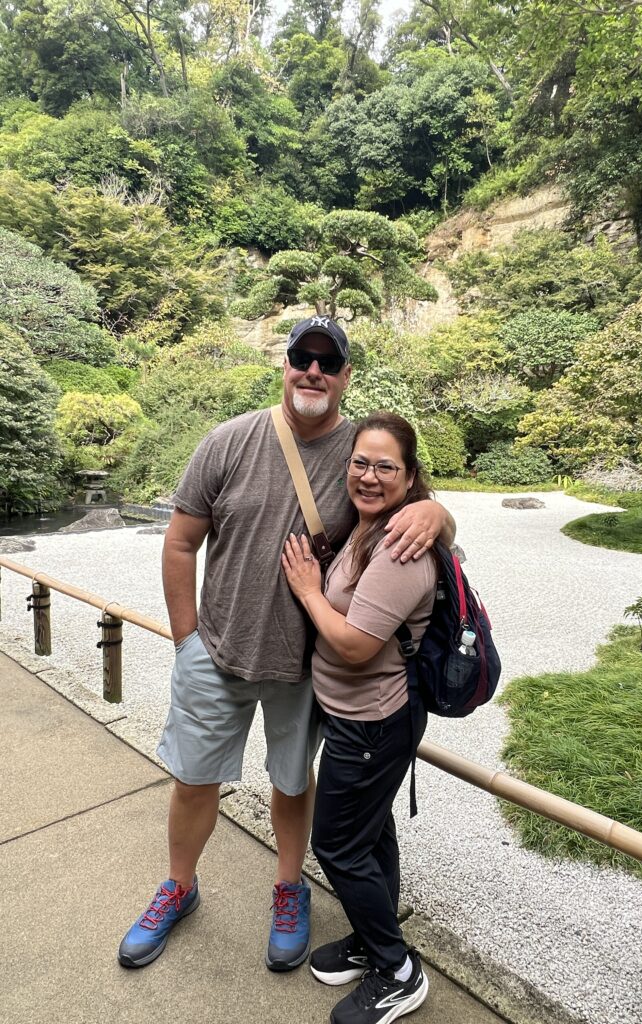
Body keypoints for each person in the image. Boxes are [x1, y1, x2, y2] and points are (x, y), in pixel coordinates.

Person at [118, 317, 454, 973]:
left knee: (292, 781)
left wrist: (438, 512)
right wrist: (186, 640)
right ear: (285, 363)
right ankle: (179, 887)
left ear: (346, 376)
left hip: (304, 667)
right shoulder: (229, 441)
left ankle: (289, 887)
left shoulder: (360, 454)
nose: (314, 372)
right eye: (303, 357)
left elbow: (415, 502)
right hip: (214, 651)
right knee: (192, 780)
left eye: (329, 363)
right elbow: (181, 541)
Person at [281, 411, 436, 1024]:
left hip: (372, 723)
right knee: (370, 833)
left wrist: (309, 590)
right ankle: (377, 939)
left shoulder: (399, 546)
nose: (369, 477)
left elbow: (354, 646)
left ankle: (398, 971)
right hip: (357, 719)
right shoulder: (371, 524)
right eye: (361, 463)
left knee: (337, 845)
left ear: (410, 475)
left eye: (386, 467)